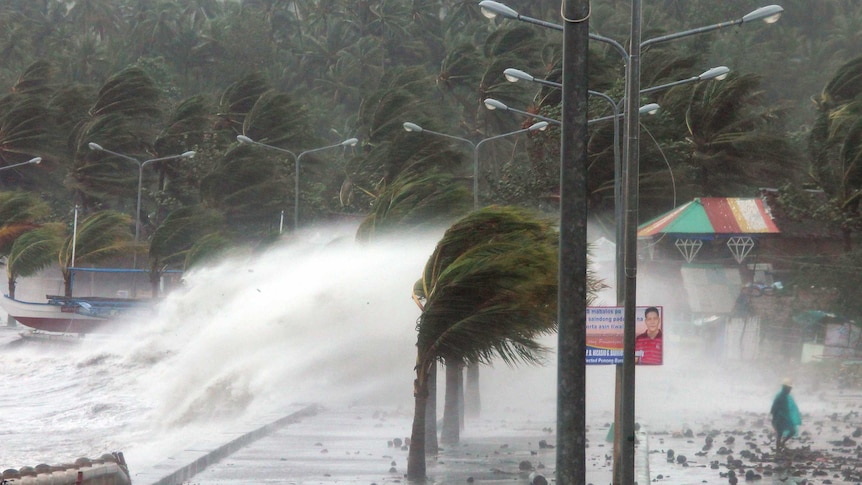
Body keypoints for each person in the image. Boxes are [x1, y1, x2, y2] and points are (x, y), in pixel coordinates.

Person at [770, 378, 801, 452]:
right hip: (779, 418)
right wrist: (775, 419)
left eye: (790, 388)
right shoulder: (780, 397)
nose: (790, 390)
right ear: (785, 388)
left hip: (785, 418)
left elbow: (790, 407)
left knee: (792, 431)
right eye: (788, 388)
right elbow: (773, 409)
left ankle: (782, 443)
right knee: (779, 435)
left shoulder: (787, 397)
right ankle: (778, 450)